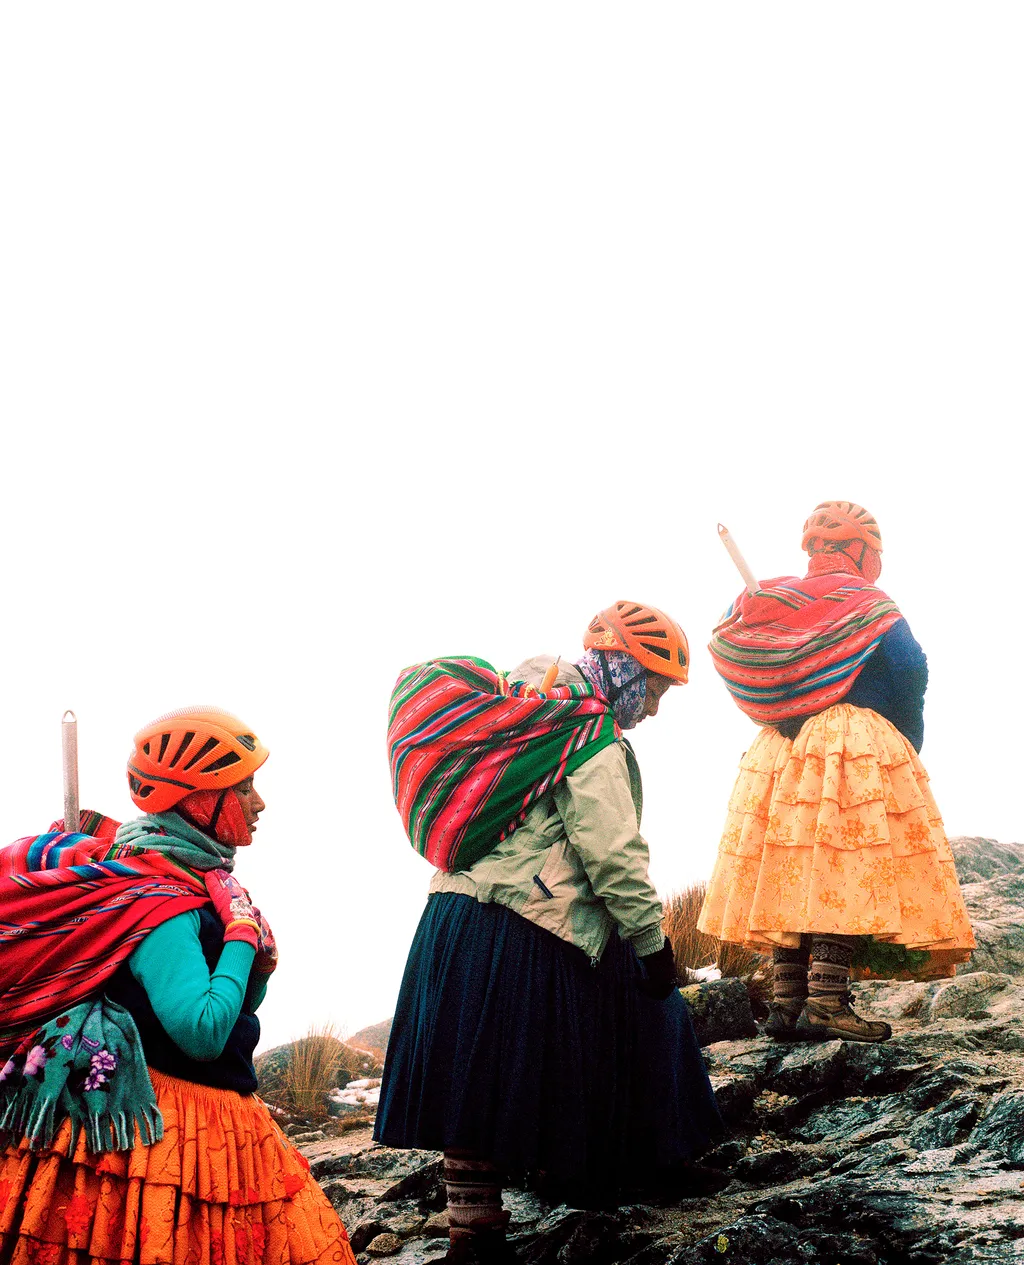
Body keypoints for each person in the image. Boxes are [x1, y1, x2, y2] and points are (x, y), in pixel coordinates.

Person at [377, 603, 724, 1265]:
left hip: (453, 917)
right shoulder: (586, 732)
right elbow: (614, 853)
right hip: (525, 920)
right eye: (651, 688)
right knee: (651, 1008)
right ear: (621, 667)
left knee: (471, 1078)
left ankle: (471, 1235)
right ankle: (656, 1161)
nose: (652, 708)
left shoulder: (522, 703)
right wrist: (654, 944)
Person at [0, 707, 356, 1265]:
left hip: (217, 1105)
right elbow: (203, 1033)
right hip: (176, 1124)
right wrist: (241, 935)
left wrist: (253, 965)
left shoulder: (195, 880)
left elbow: (237, 1010)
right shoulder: (162, 901)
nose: (259, 803)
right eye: (243, 787)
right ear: (197, 798)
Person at [699, 502, 975, 1044]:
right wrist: (905, 739)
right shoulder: (868, 604)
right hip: (848, 742)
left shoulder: (771, 602)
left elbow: (732, 646)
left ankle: (786, 1002)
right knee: (840, 867)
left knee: (790, 864)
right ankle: (825, 1001)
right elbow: (908, 668)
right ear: (862, 551)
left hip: (778, 749)